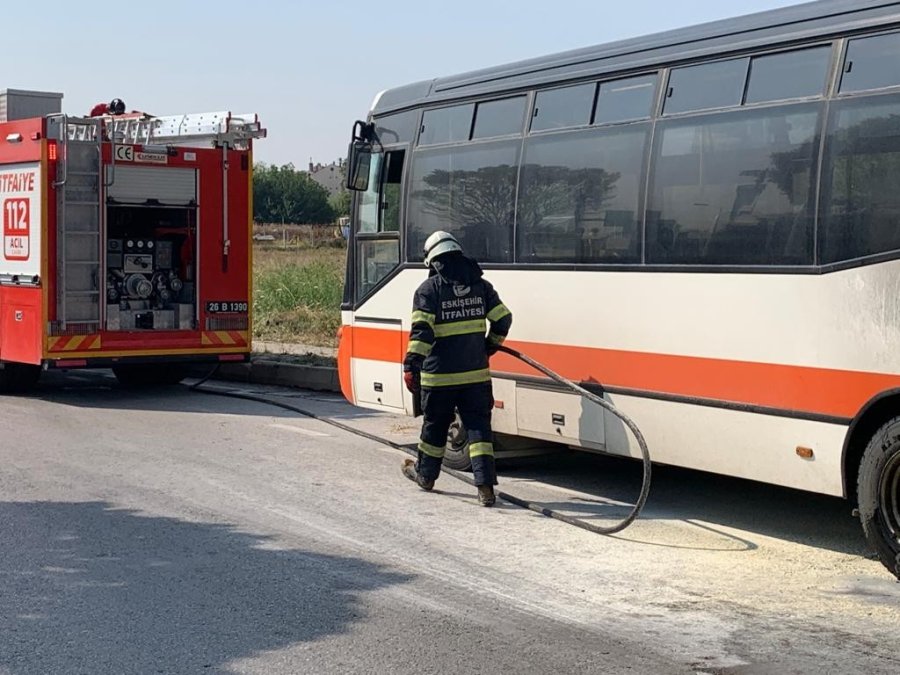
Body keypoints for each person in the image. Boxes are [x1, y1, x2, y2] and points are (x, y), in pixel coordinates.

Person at [401, 231, 513, 506]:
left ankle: (426, 476)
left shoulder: (428, 291)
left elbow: (422, 334)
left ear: (433, 262)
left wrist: (411, 366)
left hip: (438, 378)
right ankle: (485, 488)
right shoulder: (482, 287)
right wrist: (489, 347)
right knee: (479, 432)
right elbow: (503, 320)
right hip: (476, 377)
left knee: (435, 429)